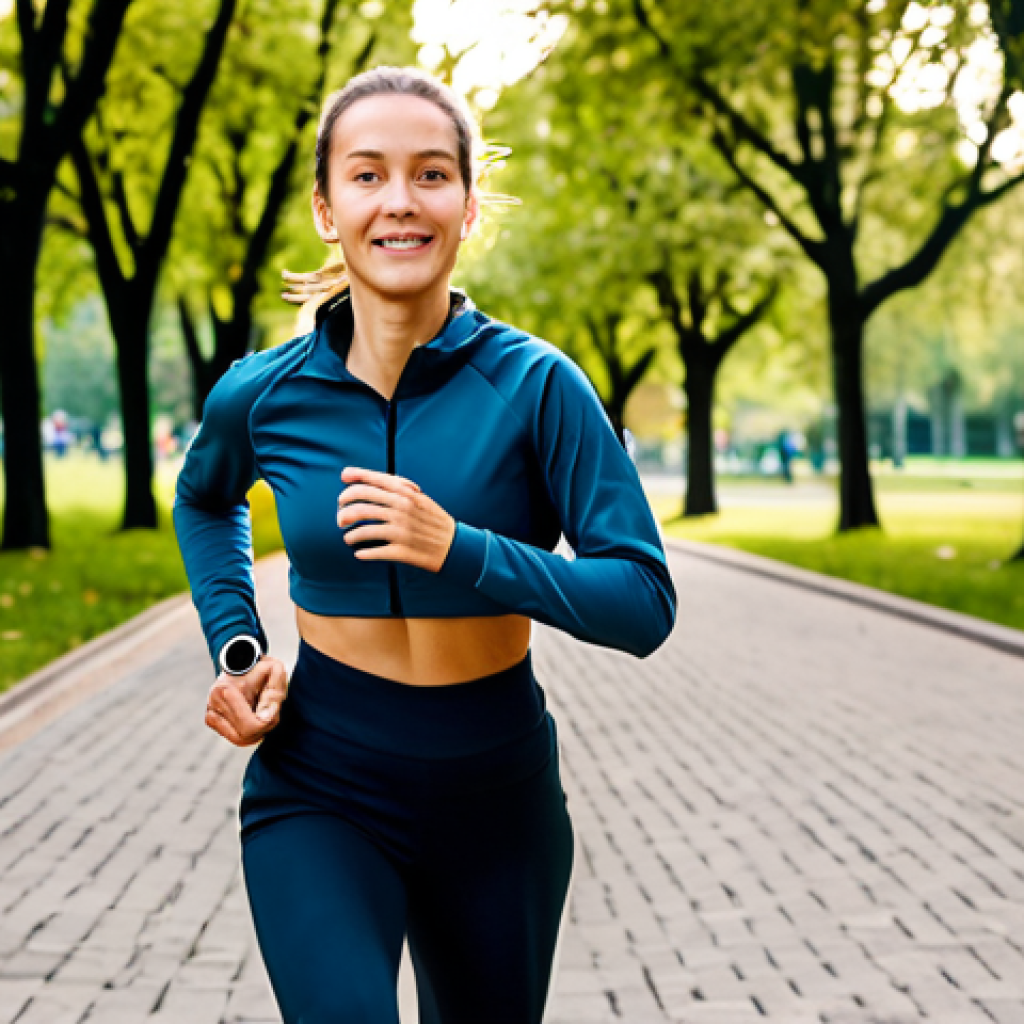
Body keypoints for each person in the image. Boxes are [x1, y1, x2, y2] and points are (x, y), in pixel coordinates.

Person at [173, 66, 676, 1024]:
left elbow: (644, 601)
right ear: (327, 209)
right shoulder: (262, 393)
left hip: (496, 792)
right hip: (320, 779)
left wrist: (463, 550)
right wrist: (236, 645)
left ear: (469, 205)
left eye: (431, 174)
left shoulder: (537, 387)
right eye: (367, 176)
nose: (399, 201)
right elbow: (204, 501)